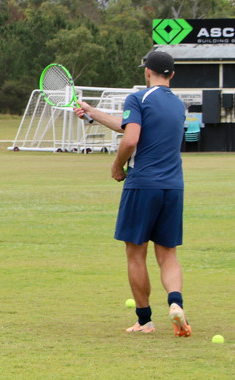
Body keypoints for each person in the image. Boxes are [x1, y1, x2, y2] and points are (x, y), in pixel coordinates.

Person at [74, 51, 191, 337]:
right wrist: (92, 112)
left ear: (147, 72)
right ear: (172, 75)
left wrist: (117, 166)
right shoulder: (178, 105)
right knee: (168, 254)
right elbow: (128, 124)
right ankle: (175, 303)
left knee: (136, 254)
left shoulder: (137, 98)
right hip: (173, 186)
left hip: (142, 185)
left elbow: (131, 137)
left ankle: (145, 320)